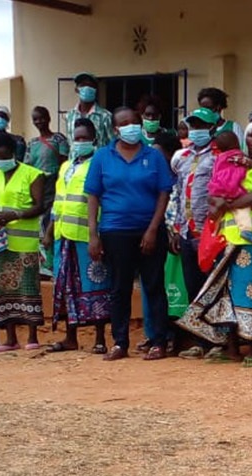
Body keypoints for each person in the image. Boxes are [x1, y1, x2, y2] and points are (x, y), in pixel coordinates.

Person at [177, 118, 252, 366]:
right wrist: (216, 204)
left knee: (249, 292)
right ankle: (230, 347)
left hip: (249, 239)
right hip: (224, 236)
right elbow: (214, 190)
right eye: (251, 135)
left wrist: (227, 204)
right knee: (226, 293)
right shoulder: (230, 161)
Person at [86, 107, 173, 361]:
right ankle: (120, 342)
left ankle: (159, 341)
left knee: (154, 286)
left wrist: (153, 229)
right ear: (115, 129)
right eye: (124, 123)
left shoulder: (153, 156)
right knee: (119, 288)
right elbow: (93, 195)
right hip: (115, 231)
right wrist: (94, 234)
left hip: (150, 230)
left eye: (135, 122)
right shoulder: (103, 156)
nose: (131, 127)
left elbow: (163, 193)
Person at [44, 119, 112, 353]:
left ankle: (100, 338)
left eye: (85, 138)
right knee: (65, 286)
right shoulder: (65, 167)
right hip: (63, 236)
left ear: (94, 140)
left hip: (87, 235)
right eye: (77, 138)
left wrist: (97, 235)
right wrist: (48, 233)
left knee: (96, 282)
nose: (80, 142)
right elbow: (57, 201)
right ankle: (70, 336)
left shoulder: (100, 165)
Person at [0, 134, 46, 352]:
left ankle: (32, 336)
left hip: (24, 242)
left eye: (3, 154)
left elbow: (39, 206)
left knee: (28, 289)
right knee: (3, 289)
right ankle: (9, 339)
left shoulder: (32, 174)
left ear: (13, 152)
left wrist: (15, 214)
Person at [166, 107, 221, 359]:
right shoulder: (182, 157)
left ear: (212, 127)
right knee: (193, 287)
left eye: (201, 125)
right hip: (187, 232)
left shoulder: (220, 156)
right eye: (193, 125)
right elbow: (176, 194)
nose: (196, 130)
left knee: (213, 287)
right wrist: (175, 228)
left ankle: (216, 341)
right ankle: (199, 340)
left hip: (210, 233)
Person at [208, 131, 252, 244]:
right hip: (233, 187)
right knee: (243, 209)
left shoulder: (218, 158)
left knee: (217, 214)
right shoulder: (239, 155)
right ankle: (246, 230)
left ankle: (213, 233)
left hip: (219, 188)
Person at [67, 72, 116, 144]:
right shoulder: (70, 115)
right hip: (75, 155)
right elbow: (70, 142)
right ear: (76, 89)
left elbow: (113, 142)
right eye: (82, 85)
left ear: (95, 90)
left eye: (90, 85)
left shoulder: (105, 116)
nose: (86, 88)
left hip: (98, 155)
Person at [26, 106, 68, 177]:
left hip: (53, 181)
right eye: (35, 119)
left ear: (48, 119)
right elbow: (27, 165)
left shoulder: (59, 138)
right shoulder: (32, 143)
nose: (38, 121)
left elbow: (65, 162)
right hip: (36, 181)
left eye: (42, 118)